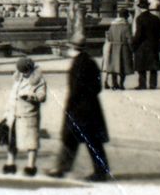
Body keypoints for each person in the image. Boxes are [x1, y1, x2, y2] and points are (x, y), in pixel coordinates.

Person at [47, 38, 113, 181]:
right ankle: (62, 167)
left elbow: (75, 90)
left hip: (79, 109)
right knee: (81, 140)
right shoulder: (90, 61)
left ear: (72, 48)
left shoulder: (78, 64)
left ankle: (99, 172)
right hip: (91, 107)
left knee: (81, 140)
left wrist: (70, 106)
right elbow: (97, 87)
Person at [1, 54, 48, 176]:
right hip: (14, 115)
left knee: (31, 142)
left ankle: (30, 166)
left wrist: (32, 97)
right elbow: (12, 96)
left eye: (26, 72)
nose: (24, 74)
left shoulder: (38, 80)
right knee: (12, 140)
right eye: (21, 72)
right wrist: (6, 113)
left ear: (31, 69)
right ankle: (10, 163)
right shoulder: (18, 78)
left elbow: (42, 96)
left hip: (29, 115)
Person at [131, 0, 160, 90]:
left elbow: (139, 34)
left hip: (142, 46)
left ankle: (142, 84)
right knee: (153, 66)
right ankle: (153, 84)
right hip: (153, 45)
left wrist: (134, 43)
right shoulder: (155, 18)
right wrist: (155, 39)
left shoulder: (139, 19)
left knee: (141, 66)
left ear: (140, 8)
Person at [102, 5, 132, 90]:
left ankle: (114, 84)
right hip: (124, 48)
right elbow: (129, 38)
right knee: (123, 68)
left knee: (113, 68)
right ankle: (121, 84)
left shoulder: (112, 25)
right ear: (126, 16)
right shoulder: (126, 26)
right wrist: (131, 48)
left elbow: (109, 37)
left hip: (113, 47)